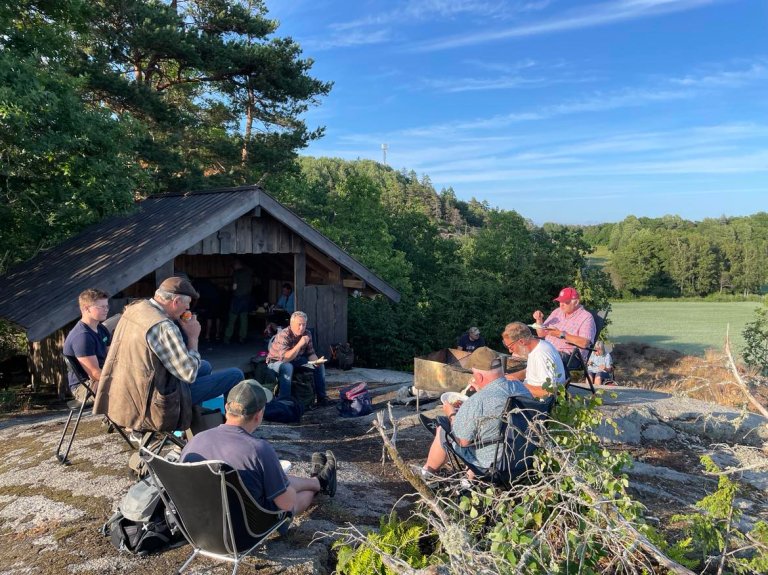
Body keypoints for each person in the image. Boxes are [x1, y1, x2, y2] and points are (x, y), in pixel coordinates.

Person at [94, 277, 243, 430]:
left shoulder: (135, 309)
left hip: (125, 393)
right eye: (186, 306)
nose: (186, 311)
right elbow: (189, 374)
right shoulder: (163, 326)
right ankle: (232, 429)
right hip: (151, 405)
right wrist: (193, 337)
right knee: (235, 374)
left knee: (205, 366)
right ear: (176, 301)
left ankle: (197, 422)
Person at [181, 379, 337, 518]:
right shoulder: (258, 449)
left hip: (201, 527)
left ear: (226, 407)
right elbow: (287, 504)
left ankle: (318, 481)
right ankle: (319, 483)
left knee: (275, 481)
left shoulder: (195, 441)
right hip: (244, 532)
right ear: (259, 414)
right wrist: (283, 484)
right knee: (283, 490)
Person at [420, 347, 532, 477]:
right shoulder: (521, 389)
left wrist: (451, 413)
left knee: (443, 430)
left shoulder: (477, 401)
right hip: (522, 456)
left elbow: (462, 441)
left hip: (490, 462)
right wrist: (482, 391)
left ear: (478, 376)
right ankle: (468, 480)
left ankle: (427, 474)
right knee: (486, 429)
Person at [267, 311, 333, 407]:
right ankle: (284, 401)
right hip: (276, 362)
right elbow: (285, 359)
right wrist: (300, 344)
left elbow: (311, 353)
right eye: (299, 324)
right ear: (291, 324)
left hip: (297, 360)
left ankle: (322, 398)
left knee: (320, 366)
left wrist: (316, 362)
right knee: (287, 367)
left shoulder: (307, 333)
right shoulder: (284, 335)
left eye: (304, 324)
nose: (301, 328)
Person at [63, 289, 111, 402]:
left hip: (102, 378)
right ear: (86, 309)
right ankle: (113, 420)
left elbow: (112, 357)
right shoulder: (82, 337)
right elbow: (95, 374)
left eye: (107, 306)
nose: (106, 310)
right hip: (84, 387)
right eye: (101, 307)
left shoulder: (101, 329)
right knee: (127, 388)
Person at [532, 286, 596, 365]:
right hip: (548, 350)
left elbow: (584, 343)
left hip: (570, 356)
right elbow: (541, 334)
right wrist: (539, 320)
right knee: (522, 353)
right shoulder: (557, 312)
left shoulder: (586, 317)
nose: (561, 305)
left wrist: (561, 334)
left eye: (565, 302)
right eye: (560, 301)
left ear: (575, 302)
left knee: (540, 358)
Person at [502, 322, 566, 398]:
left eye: (510, 347)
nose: (510, 351)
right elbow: (531, 371)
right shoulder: (538, 346)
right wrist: (507, 377)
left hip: (538, 403)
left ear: (521, 342)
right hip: (532, 392)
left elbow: (550, 392)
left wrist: (518, 385)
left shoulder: (541, 355)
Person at [224, 258, 253, 344]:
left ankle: (227, 337)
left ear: (237, 264)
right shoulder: (249, 271)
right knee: (244, 319)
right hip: (246, 298)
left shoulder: (237, 273)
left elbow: (234, 287)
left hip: (237, 298)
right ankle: (242, 337)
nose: (233, 267)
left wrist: (230, 289)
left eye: (233, 266)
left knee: (232, 318)